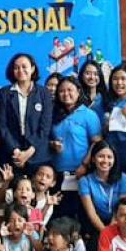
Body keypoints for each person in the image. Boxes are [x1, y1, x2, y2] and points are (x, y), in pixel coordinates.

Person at [49, 75, 102, 217]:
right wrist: (52, 144)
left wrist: (84, 165)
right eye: (62, 91)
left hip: (82, 172)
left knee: (81, 213)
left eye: (70, 90)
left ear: (78, 92)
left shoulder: (88, 114)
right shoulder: (53, 114)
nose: (66, 94)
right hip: (58, 173)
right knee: (59, 213)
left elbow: (97, 142)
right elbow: (45, 138)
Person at [0, 53, 53, 174]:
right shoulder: (4, 93)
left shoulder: (44, 93)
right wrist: (16, 151)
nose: (20, 70)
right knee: (13, 191)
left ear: (32, 68)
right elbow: (2, 126)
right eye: (16, 67)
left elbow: (45, 127)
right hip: (11, 155)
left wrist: (29, 152)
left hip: (38, 155)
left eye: (24, 66)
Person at [78, 140, 126, 245]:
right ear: (93, 159)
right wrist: (105, 233)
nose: (105, 160)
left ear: (114, 160)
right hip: (96, 225)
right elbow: (91, 213)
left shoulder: (124, 179)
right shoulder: (85, 181)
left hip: (119, 221)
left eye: (109, 157)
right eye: (101, 156)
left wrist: (111, 230)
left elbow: (121, 208)